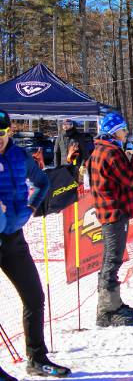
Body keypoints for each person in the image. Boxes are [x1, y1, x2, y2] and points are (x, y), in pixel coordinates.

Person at [0, 109, 69, 379]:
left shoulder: (19, 156)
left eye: (2, 134)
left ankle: (37, 358)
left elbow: (41, 182)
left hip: (14, 238)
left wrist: (30, 207)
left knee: (34, 297)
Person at [89, 112, 133, 330]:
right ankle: (107, 310)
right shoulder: (111, 152)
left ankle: (112, 303)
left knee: (110, 259)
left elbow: (122, 178)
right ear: (113, 131)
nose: (126, 133)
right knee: (112, 260)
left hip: (111, 211)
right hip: (114, 212)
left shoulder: (103, 149)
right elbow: (130, 178)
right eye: (123, 129)